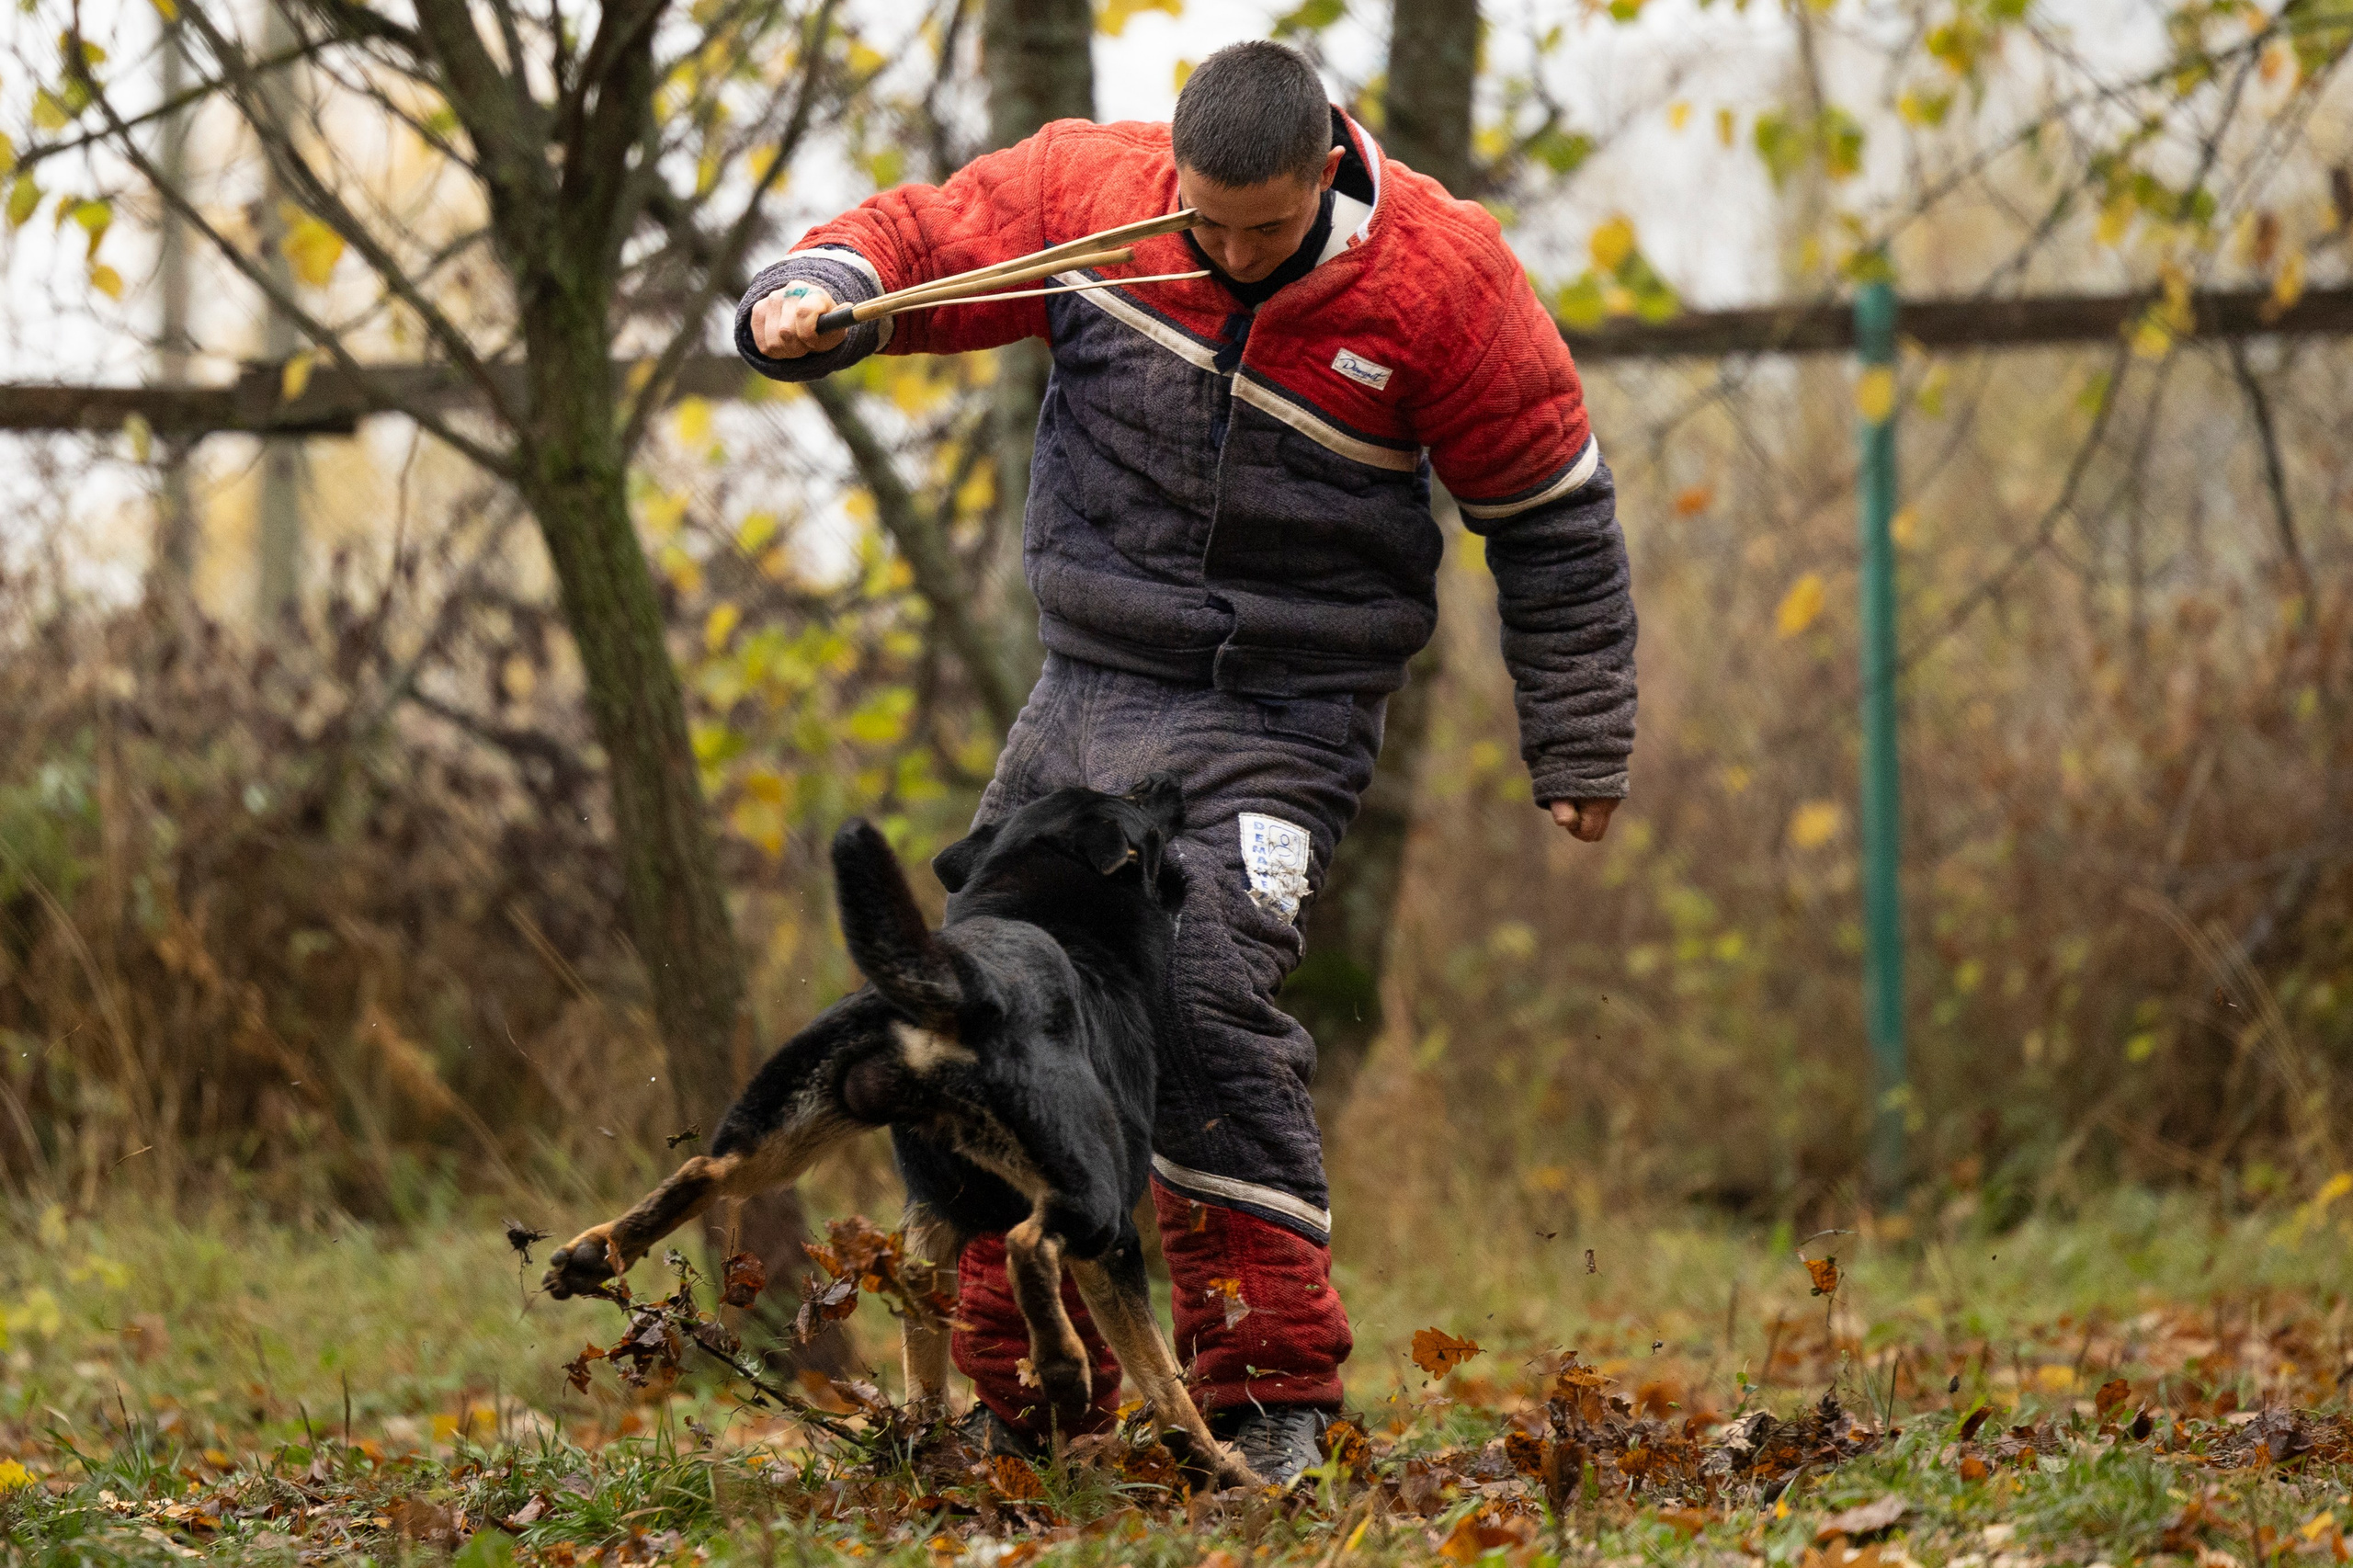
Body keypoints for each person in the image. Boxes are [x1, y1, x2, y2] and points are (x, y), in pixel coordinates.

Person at [735, 39, 1635, 1484]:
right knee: (984, 997)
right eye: (1199, 220)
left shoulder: (1440, 282)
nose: (1221, 251)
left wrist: (1580, 731)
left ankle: (1274, 1392)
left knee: (1203, 985)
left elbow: (1551, 515)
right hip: (1087, 694)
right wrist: (821, 293)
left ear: (1325, 168)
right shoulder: (1100, 200)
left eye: (1259, 228)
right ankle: (1027, 1392)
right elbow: (916, 244)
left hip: (1283, 718)